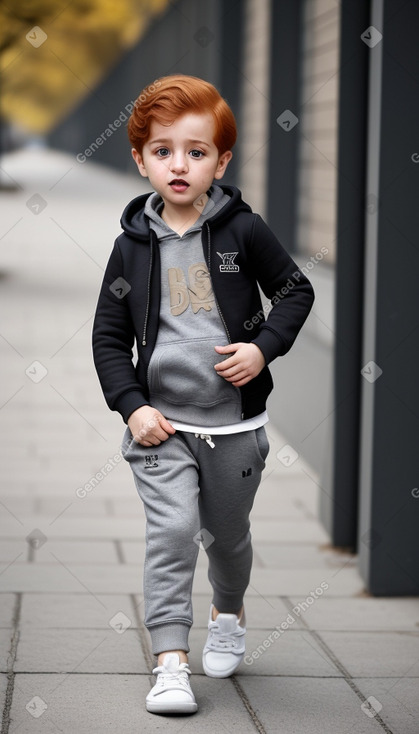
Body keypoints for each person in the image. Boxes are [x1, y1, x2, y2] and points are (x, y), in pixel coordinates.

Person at [92, 74, 314, 715]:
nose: (179, 165)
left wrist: (261, 347)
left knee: (226, 536)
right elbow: (109, 337)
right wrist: (133, 407)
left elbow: (295, 290)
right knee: (173, 532)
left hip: (235, 428)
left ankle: (228, 611)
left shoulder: (243, 230)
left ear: (221, 160)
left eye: (196, 151)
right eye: (162, 151)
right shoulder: (130, 248)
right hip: (161, 425)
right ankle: (170, 661)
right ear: (140, 160)